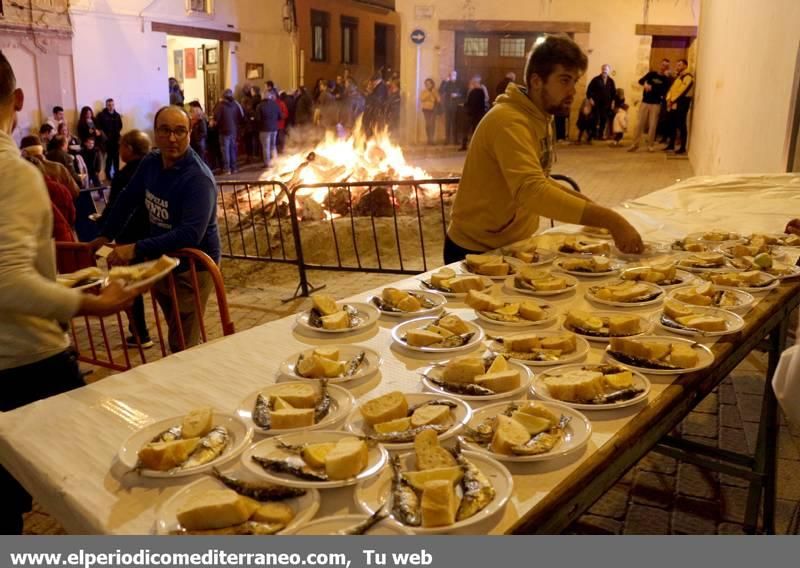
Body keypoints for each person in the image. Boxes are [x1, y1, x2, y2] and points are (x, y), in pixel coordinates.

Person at [0, 49, 138, 535]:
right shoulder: (13, 173)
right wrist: (90, 302)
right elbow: (8, 281)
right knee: (104, 475)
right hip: (25, 361)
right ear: (18, 98)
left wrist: (65, 282)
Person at [444, 35, 643, 263]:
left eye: (575, 82)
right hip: (475, 250)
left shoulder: (540, 115)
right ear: (537, 81)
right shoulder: (508, 121)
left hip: (513, 245)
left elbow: (541, 178)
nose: (573, 91)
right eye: (564, 80)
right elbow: (532, 191)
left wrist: (593, 210)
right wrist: (611, 220)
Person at [91, 105, 221, 354]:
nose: (172, 138)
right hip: (161, 260)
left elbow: (190, 234)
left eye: (180, 131)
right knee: (177, 327)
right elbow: (128, 198)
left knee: (182, 341)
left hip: (192, 267)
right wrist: (105, 233)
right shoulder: (151, 162)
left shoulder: (198, 179)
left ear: (190, 133)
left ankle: (187, 380)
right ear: (155, 132)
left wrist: (136, 248)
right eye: (165, 130)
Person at [97, 130, 153, 348]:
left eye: (121, 146)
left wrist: (103, 229)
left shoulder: (125, 175)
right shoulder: (154, 169)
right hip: (151, 236)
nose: (119, 150)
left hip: (128, 238)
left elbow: (116, 207)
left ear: (129, 148)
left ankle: (140, 333)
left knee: (128, 284)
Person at [627, 58, 671, 152]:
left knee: (653, 125)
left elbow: (663, 92)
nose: (664, 67)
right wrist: (645, 84)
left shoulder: (666, 79)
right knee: (639, 124)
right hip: (645, 102)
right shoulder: (652, 74)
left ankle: (650, 145)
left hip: (656, 104)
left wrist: (652, 87)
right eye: (663, 65)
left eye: (666, 66)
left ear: (668, 67)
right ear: (660, 65)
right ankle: (635, 144)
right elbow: (640, 81)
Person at [20, 134, 79, 198]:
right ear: (41, 149)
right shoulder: (59, 167)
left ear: (24, 152)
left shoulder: (22, 172)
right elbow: (75, 191)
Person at [664, 59, 694, 155]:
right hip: (673, 103)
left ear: (685, 66)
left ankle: (682, 148)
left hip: (682, 103)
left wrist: (672, 100)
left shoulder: (688, 77)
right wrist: (668, 99)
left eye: (680, 65)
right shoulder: (678, 77)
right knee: (672, 124)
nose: (678, 66)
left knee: (681, 125)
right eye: (677, 65)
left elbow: (682, 91)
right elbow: (672, 89)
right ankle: (671, 145)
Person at [213, 89, 244, 175]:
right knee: (232, 149)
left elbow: (216, 118)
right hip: (233, 130)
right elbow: (241, 116)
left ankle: (227, 169)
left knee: (225, 150)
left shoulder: (220, 105)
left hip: (224, 130)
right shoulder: (235, 104)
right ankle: (234, 168)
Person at [586, 64, 616, 140]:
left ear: (609, 71)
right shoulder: (595, 79)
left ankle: (600, 135)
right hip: (596, 103)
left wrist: (613, 103)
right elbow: (589, 91)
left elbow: (613, 93)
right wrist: (591, 99)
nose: (604, 70)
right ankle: (593, 135)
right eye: (603, 68)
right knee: (595, 119)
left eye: (606, 69)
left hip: (606, 104)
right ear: (601, 69)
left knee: (603, 119)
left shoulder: (611, 81)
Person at [95, 98, 123, 179]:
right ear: (106, 105)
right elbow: (99, 127)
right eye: (109, 105)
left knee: (116, 158)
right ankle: (108, 174)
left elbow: (120, 126)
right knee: (109, 158)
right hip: (107, 140)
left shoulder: (117, 115)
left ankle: (117, 174)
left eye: (112, 105)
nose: (111, 107)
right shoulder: (101, 115)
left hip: (116, 140)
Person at [459, 76, 488, 151]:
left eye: (472, 83)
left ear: (475, 83)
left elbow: (470, 102)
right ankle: (473, 146)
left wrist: (464, 105)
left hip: (472, 114)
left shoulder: (474, 91)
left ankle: (465, 145)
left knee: (467, 129)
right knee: (474, 130)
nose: (471, 84)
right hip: (478, 114)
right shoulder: (481, 91)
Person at [255, 92, 281, 168]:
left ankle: (267, 163)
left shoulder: (260, 106)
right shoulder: (275, 105)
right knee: (273, 146)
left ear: (263, 97)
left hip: (264, 129)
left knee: (265, 147)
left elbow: (258, 118)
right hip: (274, 128)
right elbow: (280, 116)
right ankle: (275, 162)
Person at [439, 70, 464, 145]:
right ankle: (447, 140)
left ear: (456, 75)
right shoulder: (446, 83)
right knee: (447, 123)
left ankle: (455, 140)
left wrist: (457, 95)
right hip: (447, 106)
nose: (452, 76)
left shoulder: (459, 83)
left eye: (454, 75)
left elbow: (463, 93)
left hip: (456, 106)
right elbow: (441, 91)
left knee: (454, 123)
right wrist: (445, 81)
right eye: (451, 75)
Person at [420, 78, 440, 145]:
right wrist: (429, 93)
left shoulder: (435, 91)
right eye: (426, 83)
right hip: (426, 109)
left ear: (432, 84)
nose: (428, 85)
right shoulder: (424, 91)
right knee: (428, 124)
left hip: (433, 109)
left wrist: (434, 93)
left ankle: (432, 139)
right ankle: (429, 139)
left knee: (432, 124)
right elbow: (422, 99)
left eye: (429, 83)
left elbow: (439, 99)